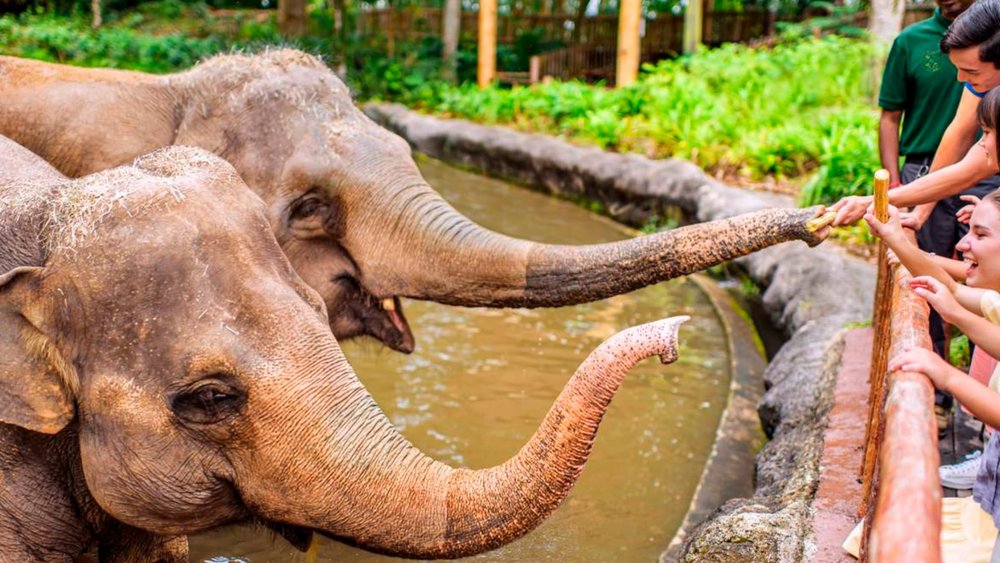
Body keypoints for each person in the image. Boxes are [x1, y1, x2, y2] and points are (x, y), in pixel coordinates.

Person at [831, 0, 1000, 228]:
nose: (961, 79)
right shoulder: (981, 83)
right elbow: (960, 137)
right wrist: (917, 212)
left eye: (971, 71)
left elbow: (978, 167)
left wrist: (874, 201)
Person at [878, 0, 974, 361]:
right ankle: (930, 366)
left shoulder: (991, 40)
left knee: (986, 273)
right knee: (922, 272)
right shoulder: (910, 41)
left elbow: (967, 137)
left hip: (983, 175)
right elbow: (890, 116)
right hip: (924, 168)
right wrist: (897, 186)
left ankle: (981, 374)